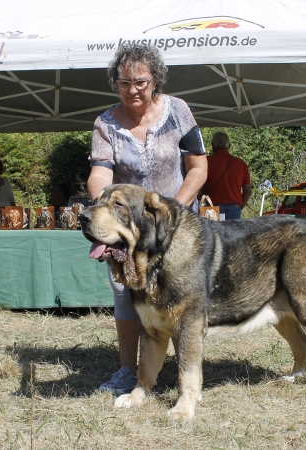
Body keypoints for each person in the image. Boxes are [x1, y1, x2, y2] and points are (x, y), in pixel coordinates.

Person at [87, 43, 207, 394]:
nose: (133, 90)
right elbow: (100, 172)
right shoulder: (105, 124)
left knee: (181, 299)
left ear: (155, 80)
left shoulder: (179, 111)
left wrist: (176, 209)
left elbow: (198, 168)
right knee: (126, 294)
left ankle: (187, 372)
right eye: (124, 83)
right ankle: (129, 371)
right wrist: (102, 204)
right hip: (128, 228)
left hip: (177, 225)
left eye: (140, 82)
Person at [201, 131, 251, 219]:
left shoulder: (205, 162)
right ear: (229, 146)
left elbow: (198, 186)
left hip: (210, 208)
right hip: (233, 209)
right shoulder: (241, 164)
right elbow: (247, 191)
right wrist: (239, 207)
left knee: (210, 233)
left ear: (212, 145)